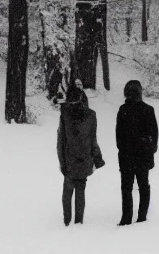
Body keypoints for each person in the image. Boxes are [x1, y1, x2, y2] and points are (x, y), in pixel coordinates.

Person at [56, 86, 104, 226]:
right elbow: (93, 140)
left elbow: (61, 141)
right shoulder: (91, 115)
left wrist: (62, 162)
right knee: (81, 190)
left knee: (68, 189)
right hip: (84, 157)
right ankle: (78, 222)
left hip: (69, 157)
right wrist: (98, 159)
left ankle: (66, 220)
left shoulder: (65, 114)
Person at [116, 79, 158, 226]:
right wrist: (149, 151)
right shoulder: (148, 110)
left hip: (128, 156)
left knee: (127, 188)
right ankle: (141, 217)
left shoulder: (123, 110)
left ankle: (127, 218)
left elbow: (119, 137)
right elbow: (154, 135)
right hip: (142, 156)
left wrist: (123, 150)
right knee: (143, 186)